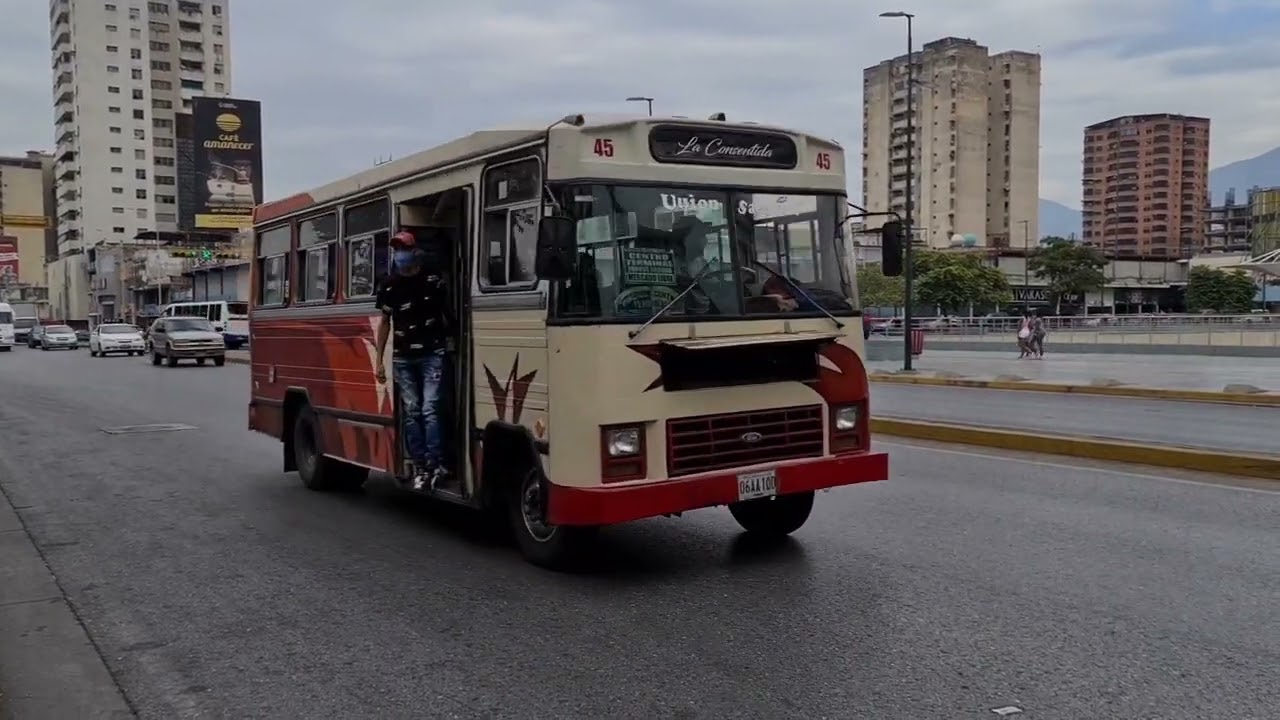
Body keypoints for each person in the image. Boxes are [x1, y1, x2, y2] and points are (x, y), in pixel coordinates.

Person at [373, 230, 453, 490]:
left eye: (404, 249)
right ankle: (419, 464)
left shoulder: (432, 279)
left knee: (430, 408)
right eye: (397, 250)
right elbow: (385, 323)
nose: (400, 255)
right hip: (403, 357)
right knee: (412, 411)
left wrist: (451, 339)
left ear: (416, 251)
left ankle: (435, 463)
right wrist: (379, 360)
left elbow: (446, 312)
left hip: (432, 352)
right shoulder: (389, 285)